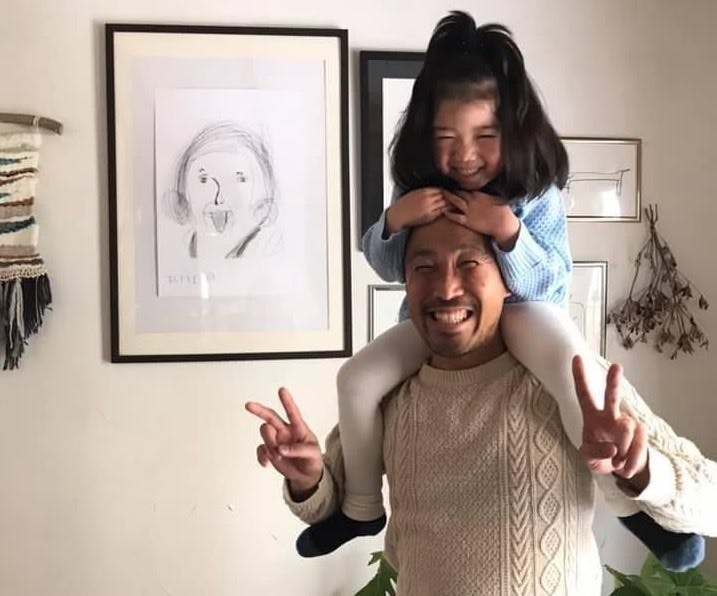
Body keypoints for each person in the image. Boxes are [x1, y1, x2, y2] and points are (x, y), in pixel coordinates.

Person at [292, 11, 704, 571]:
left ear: (513, 133)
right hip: (436, 324)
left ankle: (630, 506)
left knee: (575, 379)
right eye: (446, 138)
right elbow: (391, 267)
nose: (465, 154)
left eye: (484, 137)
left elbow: (549, 280)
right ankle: (362, 508)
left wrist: (506, 230)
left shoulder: (533, 188)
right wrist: (395, 219)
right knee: (356, 378)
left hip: (529, 314)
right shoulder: (416, 188)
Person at [246, 217, 717, 595]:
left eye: (469, 263)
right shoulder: (387, 391)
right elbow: (330, 509)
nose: (446, 287)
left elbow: (710, 504)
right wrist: (307, 478)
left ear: (508, 280)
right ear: (406, 284)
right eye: (423, 267)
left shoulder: (570, 379)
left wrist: (642, 469)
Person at [164, 121, 281, 261]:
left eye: (239, 180)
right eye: (204, 180)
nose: (218, 198)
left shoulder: (267, 249)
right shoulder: (177, 249)